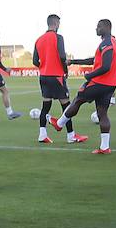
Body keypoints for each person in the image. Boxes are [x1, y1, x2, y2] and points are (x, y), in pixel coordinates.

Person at [48, 19, 116, 154]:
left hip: (98, 82)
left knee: (78, 100)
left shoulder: (107, 43)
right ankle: (105, 147)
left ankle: (59, 124)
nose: (96, 29)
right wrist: (74, 61)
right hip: (110, 85)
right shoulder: (112, 42)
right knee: (102, 113)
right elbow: (94, 60)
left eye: (99, 26)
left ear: (106, 27)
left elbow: (106, 66)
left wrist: (90, 76)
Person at [33, 14, 86, 144]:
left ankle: (42, 135)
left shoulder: (39, 40)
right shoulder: (58, 37)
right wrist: (65, 70)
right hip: (56, 76)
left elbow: (35, 61)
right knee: (67, 106)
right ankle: (71, 135)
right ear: (56, 23)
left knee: (46, 105)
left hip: (44, 76)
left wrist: (44, 66)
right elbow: (62, 56)